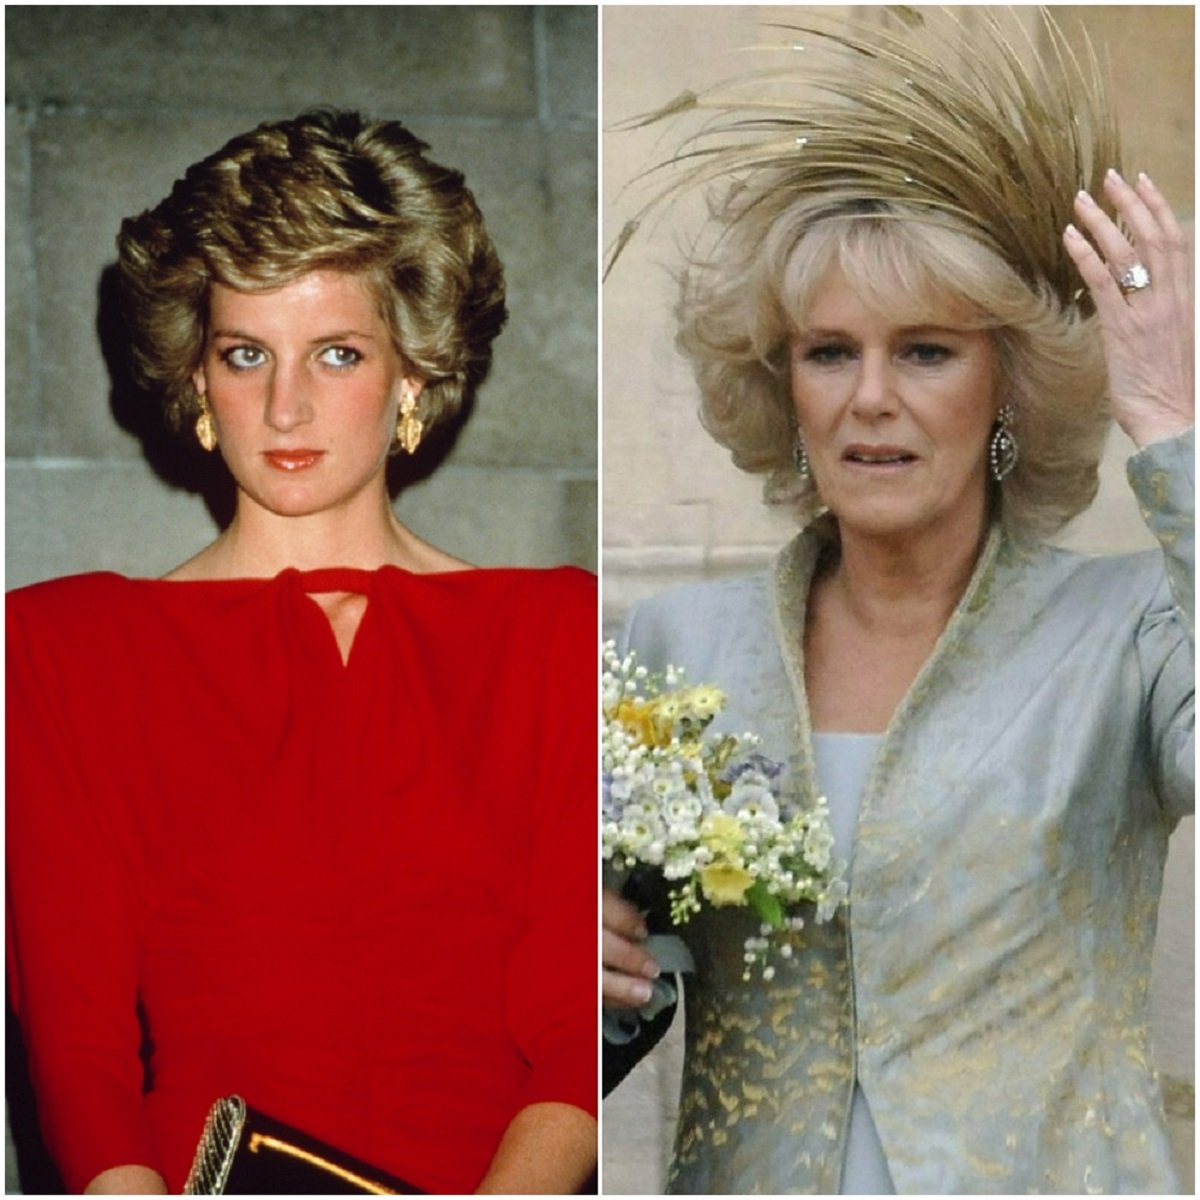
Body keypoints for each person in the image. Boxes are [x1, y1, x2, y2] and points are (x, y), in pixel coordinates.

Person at [602, 10, 1192, 1194]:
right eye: (830, 352)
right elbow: (611, 1013)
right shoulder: (672, 650)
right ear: (787, 384)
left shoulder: (1129, 629)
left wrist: (1170, 426)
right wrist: (592, 987)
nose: (871, 398)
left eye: (926, 350)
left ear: (1007, 387)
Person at [7, 109, 597, 1195]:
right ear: (196, 380)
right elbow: (80, 1065)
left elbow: (576, 1036)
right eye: (245, 354)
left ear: (413, 373)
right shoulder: (61, 651)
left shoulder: (556, 634)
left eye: (337, 352)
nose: (286, 404)